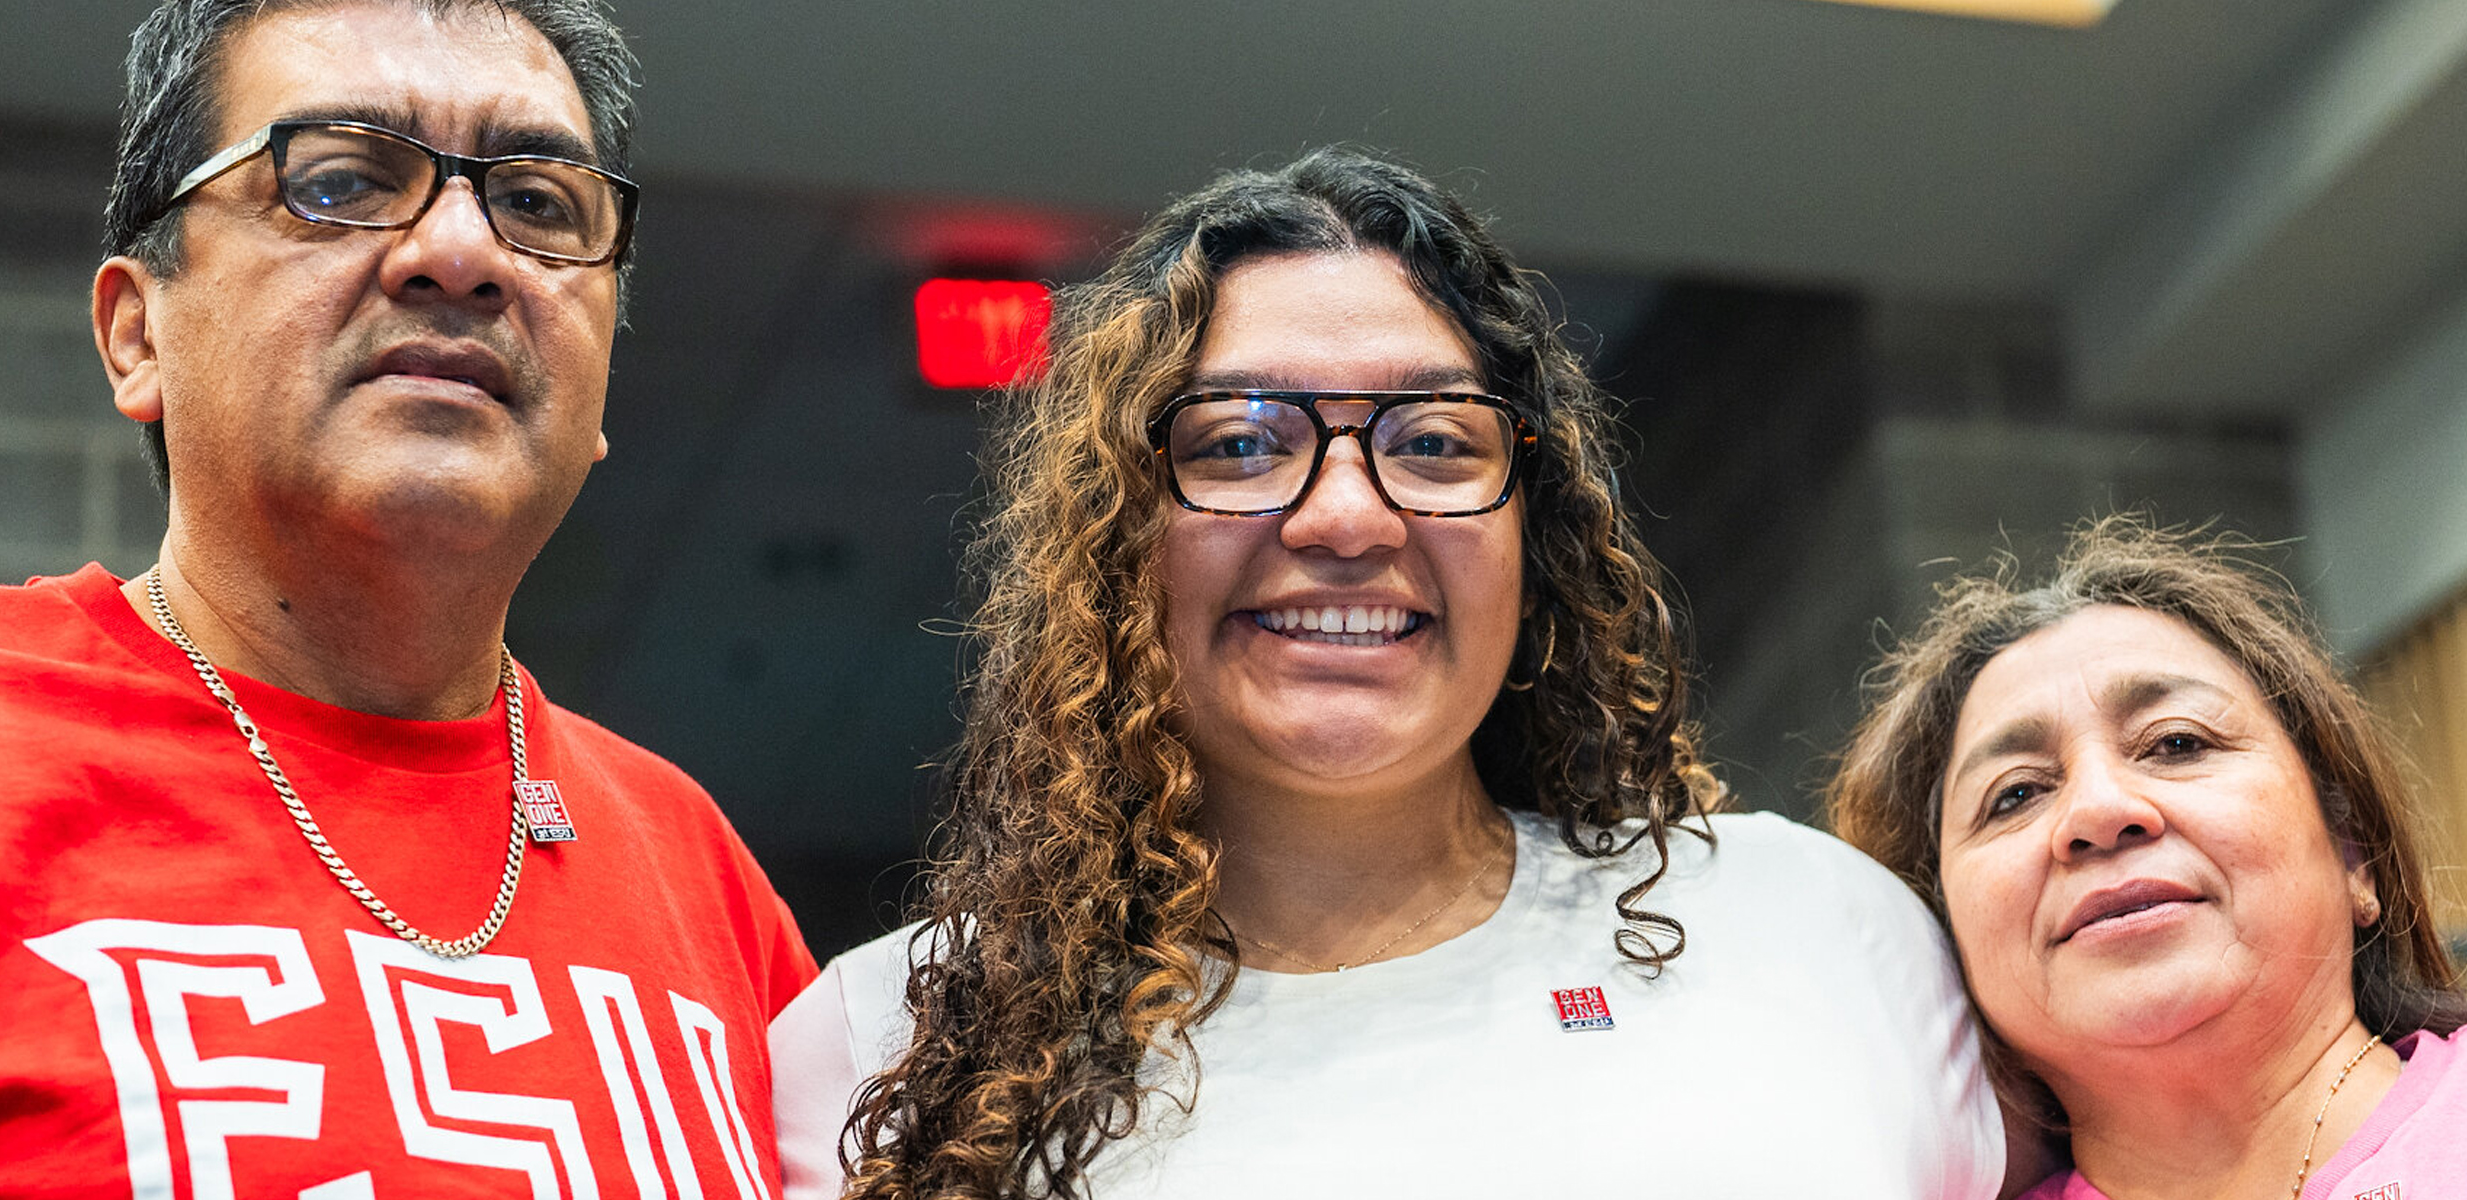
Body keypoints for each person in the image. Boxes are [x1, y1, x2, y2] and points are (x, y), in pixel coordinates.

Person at [768, 147, 2004, 1200]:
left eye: (1432, 440)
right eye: (1243, 442)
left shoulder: (1817, 936)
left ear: (1539, 526)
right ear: (1117, 537)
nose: (1349, 518)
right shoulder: (890, 1050)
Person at [0, 0, 816, 1192]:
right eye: (339, 179)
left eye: (537, 204)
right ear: (137, 334)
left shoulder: (700, 876)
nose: (463, 252)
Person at [1827, 516, 2467, 1199]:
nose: (2098, 811)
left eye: (2177, 743)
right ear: (1945, 943)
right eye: (2014, 796)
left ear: (2354, 852)